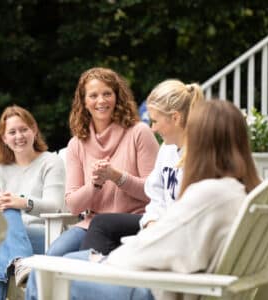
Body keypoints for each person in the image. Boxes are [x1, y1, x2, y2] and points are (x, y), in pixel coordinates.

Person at [64, 99, 261, 300]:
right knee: (73, 259)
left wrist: (101, 260)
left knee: (49, 272)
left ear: (201, 141)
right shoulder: (240, 191)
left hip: (157, 289)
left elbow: (152, 250)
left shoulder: (208, 194)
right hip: (180, 281)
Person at [25, 67, 159, 300]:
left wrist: (118, 177)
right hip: (91, 222)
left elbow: (153, 192)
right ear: (83, 102)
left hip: (133, 221)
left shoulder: (140, 133)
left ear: (117, 97)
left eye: (107, 93)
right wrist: (94, 185)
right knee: (49, 261)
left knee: (78, 269)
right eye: (93, 95)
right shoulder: (78, 143)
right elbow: (73, 205)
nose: (101, 101)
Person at [79, 79, 204, 255]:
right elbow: (156, 195)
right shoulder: (167, 150)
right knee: (100, 226)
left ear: (175, 117)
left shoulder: (202, 158)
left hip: (178, 240)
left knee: (91, 242)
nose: (152, 129)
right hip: (158, 229)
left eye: (155, 121)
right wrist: (151, 222)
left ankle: (78, 271)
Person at [0, 105, 65, 300]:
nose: (19, 136)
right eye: (12, 132)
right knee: (1, 222)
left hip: (45, 235)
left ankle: (19, 260)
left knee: (4, 218)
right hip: (4, 239)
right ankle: (19, 261)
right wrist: (4, 204)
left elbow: (55, 205)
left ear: (34, 130)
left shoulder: (50, 162)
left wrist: (21, 202)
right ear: (4, 138)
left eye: (24, 129)